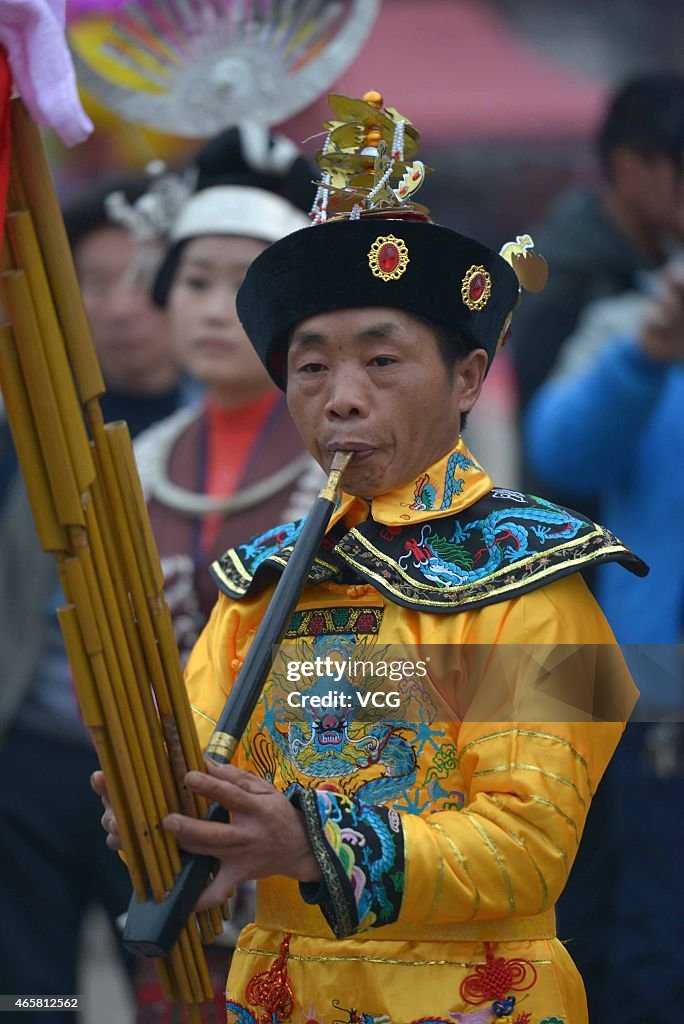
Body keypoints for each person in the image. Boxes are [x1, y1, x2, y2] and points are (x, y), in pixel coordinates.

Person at [95, 93, 644, 1024]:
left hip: (475, 995)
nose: (342, 399)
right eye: (312, 369)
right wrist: (167, 815)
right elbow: (207, 774)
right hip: (277, 992)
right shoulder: (257, 581)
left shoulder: (547, 577)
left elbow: (531, 844)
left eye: (383, 363)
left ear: (468, 378)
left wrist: (310, 845)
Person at [129, 125, 324, 1022]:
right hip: (159, 810)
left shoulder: (344, 468)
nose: (214, 311)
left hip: (309, 813)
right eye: (196, 282)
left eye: (243, 288)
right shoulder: (132, 465)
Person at [0, 176, 195, 1021]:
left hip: (169, 767)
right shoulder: (23, 423)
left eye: (144, 276)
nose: (119, 305)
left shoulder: (226, 426)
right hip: (32, 761)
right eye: (93, 279)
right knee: (30, 995)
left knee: (178, 991)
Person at [524, 263, 684, 1023]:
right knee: (652, 940)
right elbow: (559, 451)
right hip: (658, 692)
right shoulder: (628, 320)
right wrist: (648, 351)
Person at [512, 72, 684, 505]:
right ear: (629, 169)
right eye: (680, 168)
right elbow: (548, 447)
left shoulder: (657, 264)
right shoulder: (563, 276)